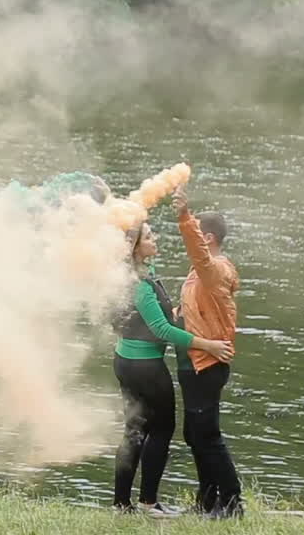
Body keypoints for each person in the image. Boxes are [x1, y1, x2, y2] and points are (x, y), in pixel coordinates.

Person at [112, 221, 234, 518]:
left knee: (134, 429)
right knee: (162, 429)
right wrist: (207, 344)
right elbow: (161, 329)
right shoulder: (140, 284)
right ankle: (148, 504)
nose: (156, 239)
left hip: (126, 361)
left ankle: (121, 505)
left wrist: (187, 313)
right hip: (145, 367)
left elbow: (156, 317)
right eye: (150, 236)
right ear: (136, 248)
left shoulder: (130, 277)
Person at [171, 184, 243, 519]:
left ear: (209, 238)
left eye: (199, 234)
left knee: (208, 434)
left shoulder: (216, 269)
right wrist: (180, 313)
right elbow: (199, 302)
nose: (195, 241)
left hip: (208, 362)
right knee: (193, 433)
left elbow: (199, 257)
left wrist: (184, 215)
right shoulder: (202, 272)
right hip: (191, 361)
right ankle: (207, 500)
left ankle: (231, 502)